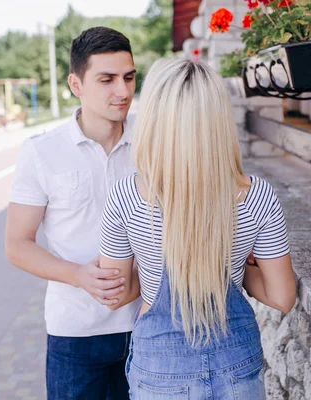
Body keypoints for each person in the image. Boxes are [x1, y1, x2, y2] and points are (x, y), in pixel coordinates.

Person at [99, 58, 297, 399]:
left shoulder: (126, 198)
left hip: (160, 371)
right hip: (237, 365)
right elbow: (282, 297)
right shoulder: (257, 197)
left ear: (154, 120)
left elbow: (116, 294)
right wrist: (240, 266)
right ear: (219, 121)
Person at [5, 27, 140, 399]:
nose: (123, 91)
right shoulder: (41, 151)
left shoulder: (154, 142)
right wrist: (78, 275)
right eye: (107, 79)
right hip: (75, 335)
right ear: (76, 84)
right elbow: (17, 244)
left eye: (129, 77)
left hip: (149, 325)